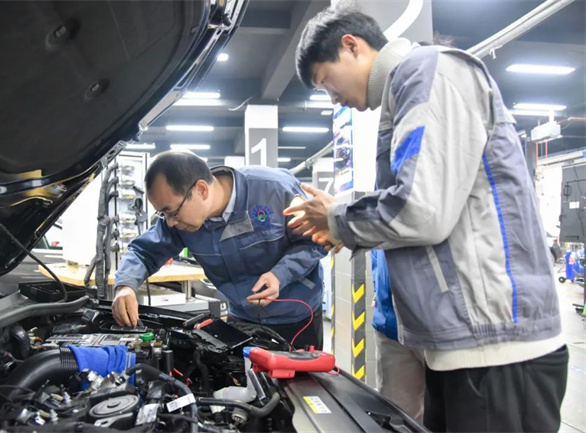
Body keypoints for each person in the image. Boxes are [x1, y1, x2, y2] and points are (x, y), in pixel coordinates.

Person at [285, 7, 568, 432]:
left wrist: (339, 217)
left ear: (351, 45)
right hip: (463, 345)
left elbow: (423, 211)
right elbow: (430, 197)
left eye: (325, 81)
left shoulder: (429, 72)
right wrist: (342, 215)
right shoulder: (404, 90)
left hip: (497, 347)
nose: (333, 99)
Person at [112, 151, 326, 350]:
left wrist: (281, 274)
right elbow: (144, 251)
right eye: (163, 214)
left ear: (201, 190)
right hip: (242, 321)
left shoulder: (275, 190)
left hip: (297, 320)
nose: (170, 223)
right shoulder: (180, 221)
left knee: (300, 379)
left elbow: (316, 240)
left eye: (172, 212)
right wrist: (125, 286)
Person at [371, 250, 425, 423]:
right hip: (390, 326)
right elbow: (375, 250)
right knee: (396, 416)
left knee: (450, 416)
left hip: (439, 326)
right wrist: (378, 289)